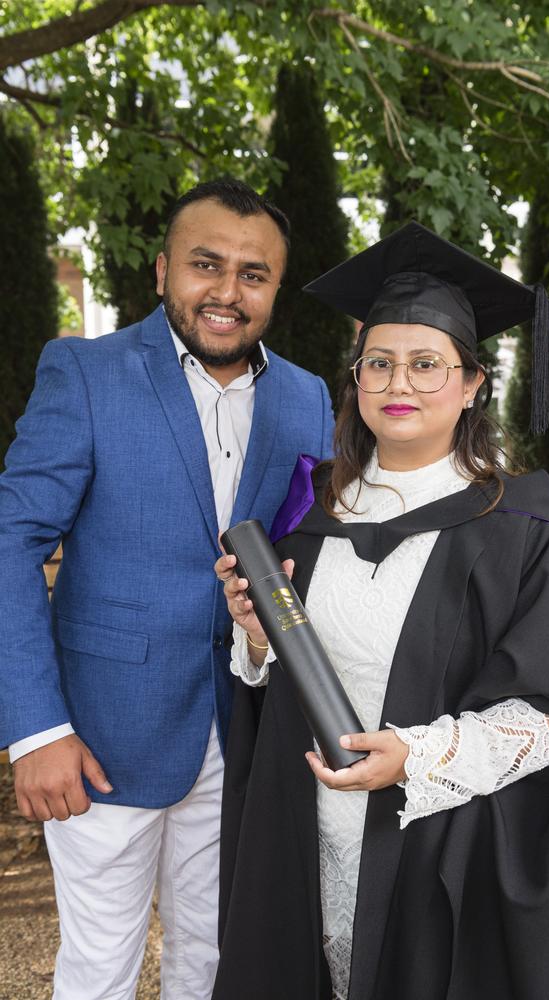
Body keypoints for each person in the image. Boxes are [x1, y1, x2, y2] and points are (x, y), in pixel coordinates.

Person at [213, 221, 549, 1000]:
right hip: (309, 835)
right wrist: (255, 641)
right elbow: (283, 684)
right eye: (378, 364)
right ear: (355, 379)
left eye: (425, 364)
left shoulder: (521, 531)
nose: (399, 384)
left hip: (433, 843)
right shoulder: (314, 521)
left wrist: (419, 757)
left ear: (473, 382)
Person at [0, 178, 335, 1000]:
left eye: (253, 275)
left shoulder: (309, 396)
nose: (227, 292)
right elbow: (12, 540)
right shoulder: (85, 372)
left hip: (248, 729)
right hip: (103, 734)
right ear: (161, 272)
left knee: (217, 959)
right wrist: (36, 730)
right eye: (206, 265)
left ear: (275, 289)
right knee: (100, 969)